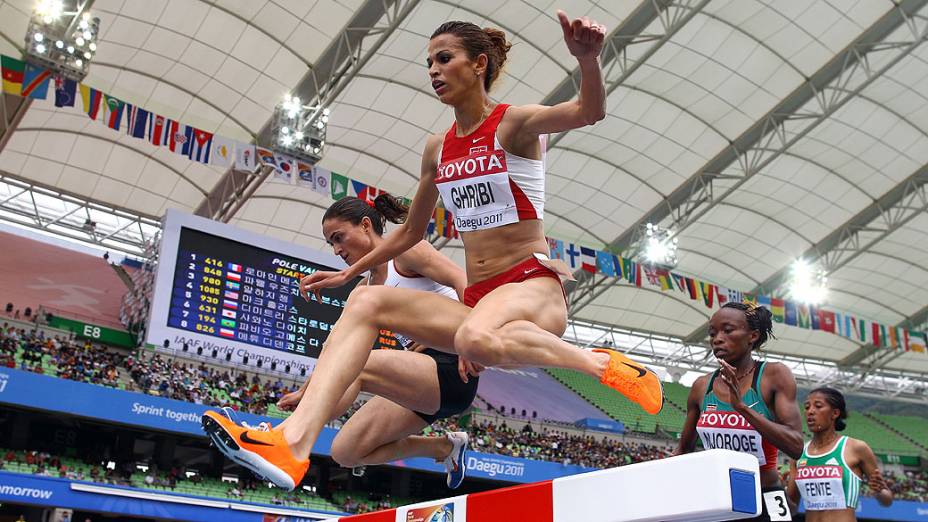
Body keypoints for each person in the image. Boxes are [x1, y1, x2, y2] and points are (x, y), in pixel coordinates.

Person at [203, 9, 662, 491]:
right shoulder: (436, 149)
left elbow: (589, 112)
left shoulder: (515, 124)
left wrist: (588, 61)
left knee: (471, 340)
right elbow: (406, 234)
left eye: (445, 59)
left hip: (532, 285)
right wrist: (348, 275)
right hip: (480, 301)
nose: (434, 71)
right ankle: (290, 446)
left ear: (479, 64)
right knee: (367, 302)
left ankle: (601, 363)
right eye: (429, 63)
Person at [207, 196, 477, 489]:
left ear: (364, 226)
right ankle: (444, 448)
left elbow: (463, 282)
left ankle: (287, 441)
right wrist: (307, 391)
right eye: (331, 244)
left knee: (359, 367)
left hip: (454, 369)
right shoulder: (366, 288)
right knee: (347, 452)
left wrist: (470, 342)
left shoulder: (406, 250)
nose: (337, 250)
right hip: (421, 382)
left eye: (339, 238)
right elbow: (337, 348)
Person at [675, 303, 803, 521]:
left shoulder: (774, 375)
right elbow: (683, 450)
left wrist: (742, 409)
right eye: (712, 333)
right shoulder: (701, 386)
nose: (717, 338)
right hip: (719, 497)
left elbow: (796, 446)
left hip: (766, 497)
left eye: (727, 330)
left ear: (752, 336)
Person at [786, 387, 892, 521]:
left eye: (818, 406)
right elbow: (791, 508)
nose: (810, 411)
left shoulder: (856, 448)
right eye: (807, 407)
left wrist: (879, 492)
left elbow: (887, 500)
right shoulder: (798, 453)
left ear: (835, 413)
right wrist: (778, 487)